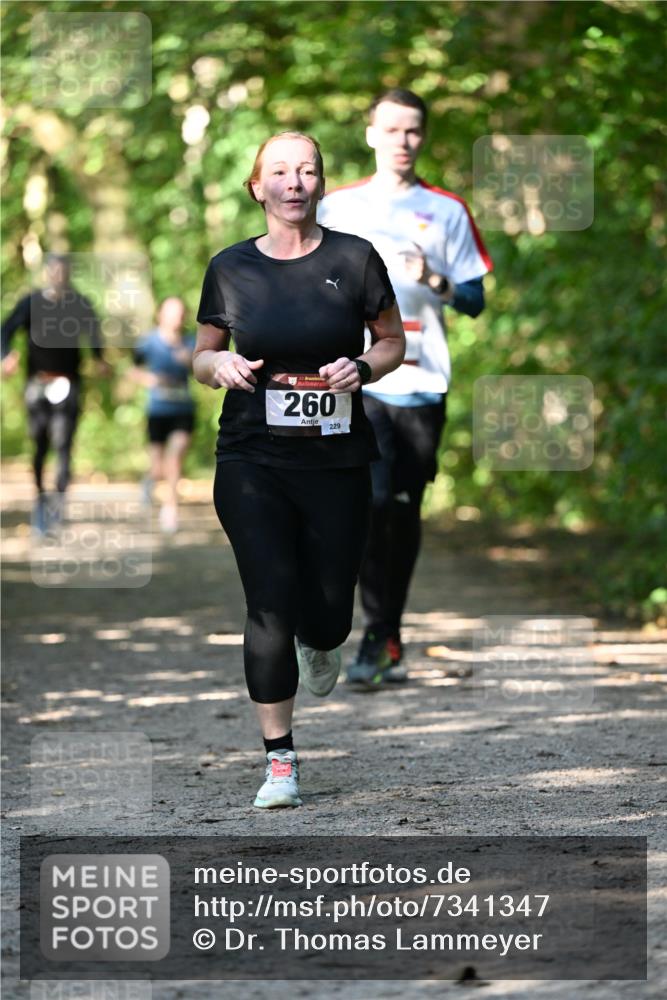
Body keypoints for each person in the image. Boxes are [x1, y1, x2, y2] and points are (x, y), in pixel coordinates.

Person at [193, 131, 405, 808]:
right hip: (251, 458)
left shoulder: (354, 258)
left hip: (337, 460)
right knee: (269, 600)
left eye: (307, 171)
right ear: (257, 188)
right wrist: (219, 365)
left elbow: (392, 340)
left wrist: (363, 366)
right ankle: (279, 761)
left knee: (328, 613)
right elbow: (201, 354)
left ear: (320, 184)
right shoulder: (230, 268)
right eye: (280, 172)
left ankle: (324, 638)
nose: (294, 182)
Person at [319, 88, 493, 686]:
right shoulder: (336, 207)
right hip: (356, 378)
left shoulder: (447, 209)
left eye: (413, 130)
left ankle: (386, 633)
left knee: (402, 507)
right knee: (368, 502)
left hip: (422, 381)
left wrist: (435, 279)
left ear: (423, 137)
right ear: (370, 134)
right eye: (391, 129)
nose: (403, 140)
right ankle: (365, 628)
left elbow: (475, 299)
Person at [0, 253, 109, 534]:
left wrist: (98, 358)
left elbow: (94, 333)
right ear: (47, 273)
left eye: (64, 271)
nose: (59, 276)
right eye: (55, 271)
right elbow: (5, 330)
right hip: (37, 383)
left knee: (63, 442)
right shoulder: (31, 302)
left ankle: (58, 504)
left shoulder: (80, 303)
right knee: (39, 442)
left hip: (68, 383)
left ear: (69, 274)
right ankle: (40, 497)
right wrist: (6, 356)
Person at [131, 297, 196, 533]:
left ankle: (171, 508)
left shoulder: (191, 342)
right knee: (158, 467)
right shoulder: (148, 342)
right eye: (171, 312)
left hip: (183, 409)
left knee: (175, 456)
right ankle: (149, 482)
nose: (176, 317)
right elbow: (133, 370)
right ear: (160, 314)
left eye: (180, 313)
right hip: (158, 410)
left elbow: (202, 370)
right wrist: (149, 379)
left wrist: (189, 362)